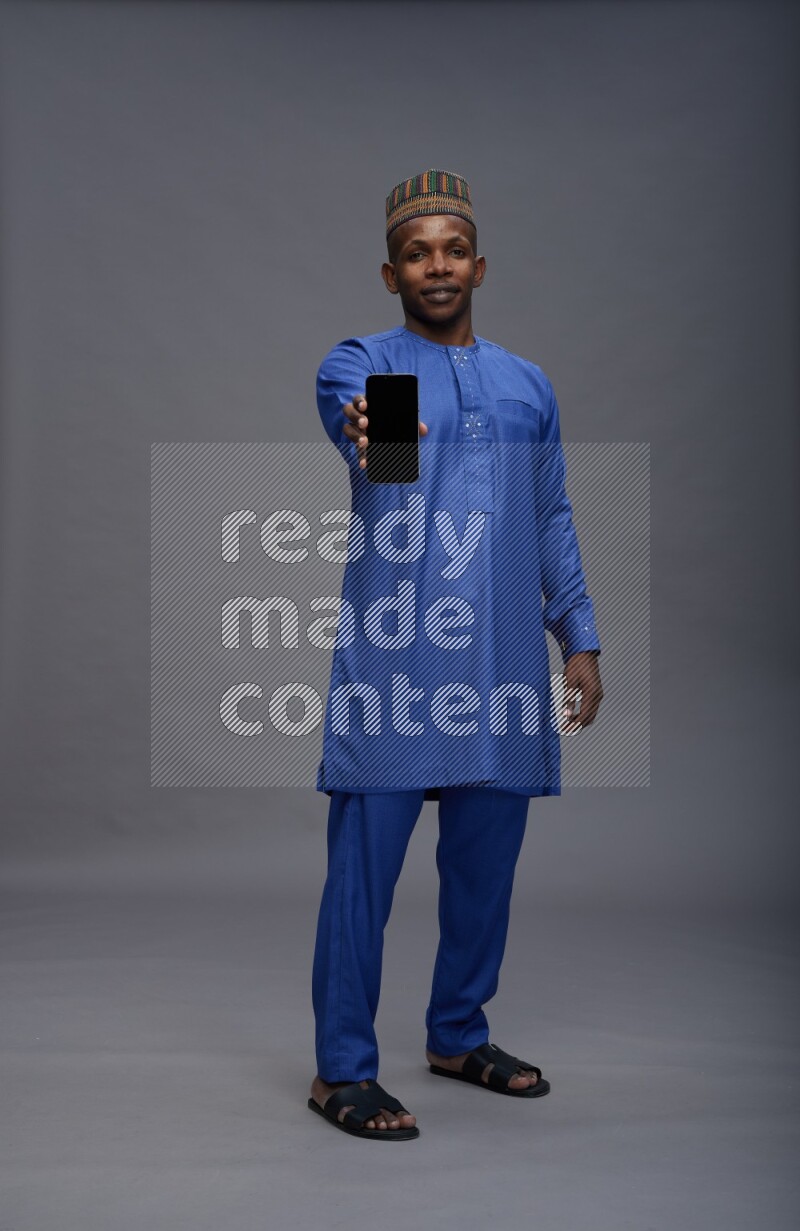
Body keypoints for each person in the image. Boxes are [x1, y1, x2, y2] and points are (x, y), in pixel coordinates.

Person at [307, 169, 604, 1140]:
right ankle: (341, 1070)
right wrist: (377, 430)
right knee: (363, 878)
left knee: (484, 875)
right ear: (389, 273)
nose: (434, 264)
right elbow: (381, 455)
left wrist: (579, 637)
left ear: (477, 263)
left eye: (449, 248)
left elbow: (550, 514)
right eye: (413, 252)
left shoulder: (527, 385)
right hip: (399, 669)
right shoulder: (360, 364)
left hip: (503, 671)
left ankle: (455, 1032)